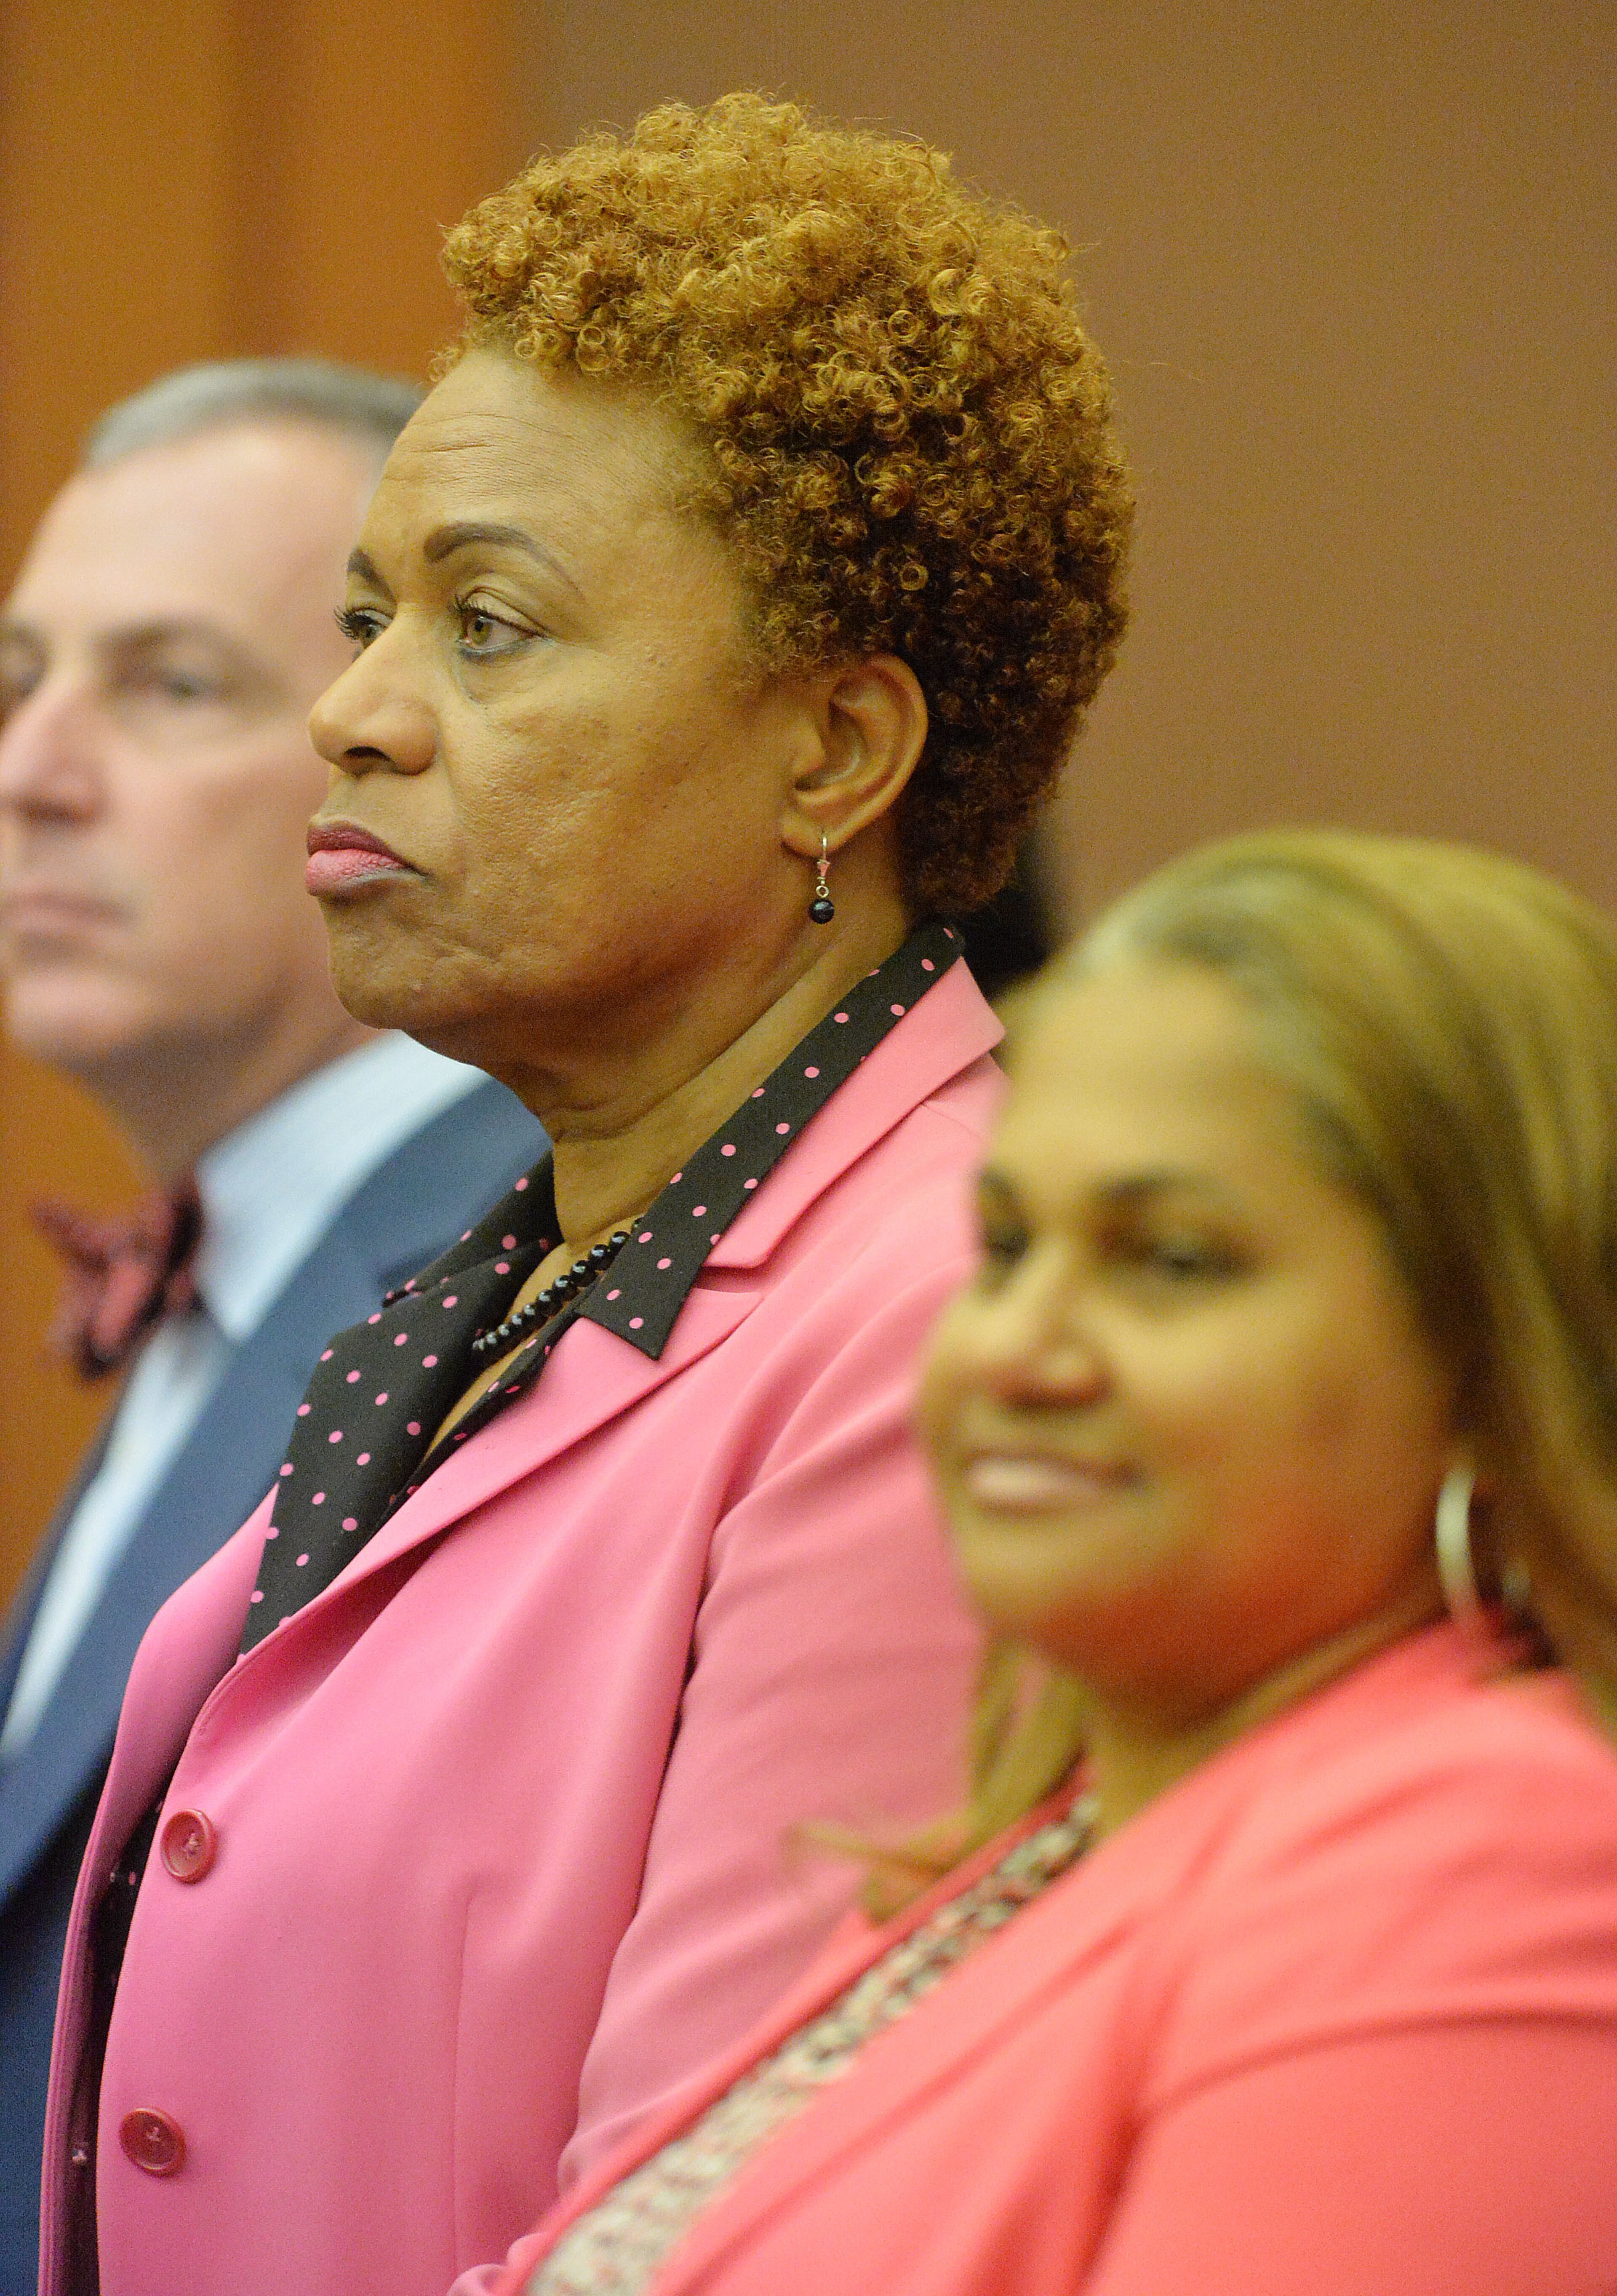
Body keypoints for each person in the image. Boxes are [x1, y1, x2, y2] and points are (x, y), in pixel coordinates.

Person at [37, 96, 1132, 2296]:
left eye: (491, 626)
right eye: (366, 615)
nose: (357, 713)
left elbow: (719, 2227)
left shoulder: (939, 1320)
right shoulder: (533, 1253)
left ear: (833, 753)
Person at [492, 829, 1617, 2296]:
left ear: (1491, 1357)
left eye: (1172, 1261)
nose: (1017, 1348)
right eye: (1009, 1244)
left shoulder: (1494, 1859)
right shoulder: (1065, 1827)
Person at [0, 359, 544, 2289]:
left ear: (395, 740)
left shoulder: (528, 1290)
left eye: (168, 687)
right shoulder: (226, 1249)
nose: (32, 770)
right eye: (22, 675)